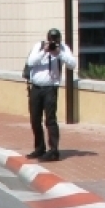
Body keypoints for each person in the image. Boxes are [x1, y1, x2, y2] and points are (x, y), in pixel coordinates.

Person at [24, 28, 78, 162]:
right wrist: (45, 51)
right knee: (35, 119)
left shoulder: (63, 49)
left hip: (51, 88)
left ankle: (54, 151)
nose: (53, 42)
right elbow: (31, 62)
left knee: (50, 120)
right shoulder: (39, 46)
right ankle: (39, 148)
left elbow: (72, 64)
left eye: (56, 39)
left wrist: (59, 53)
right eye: (51, 39)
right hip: (36, 87)